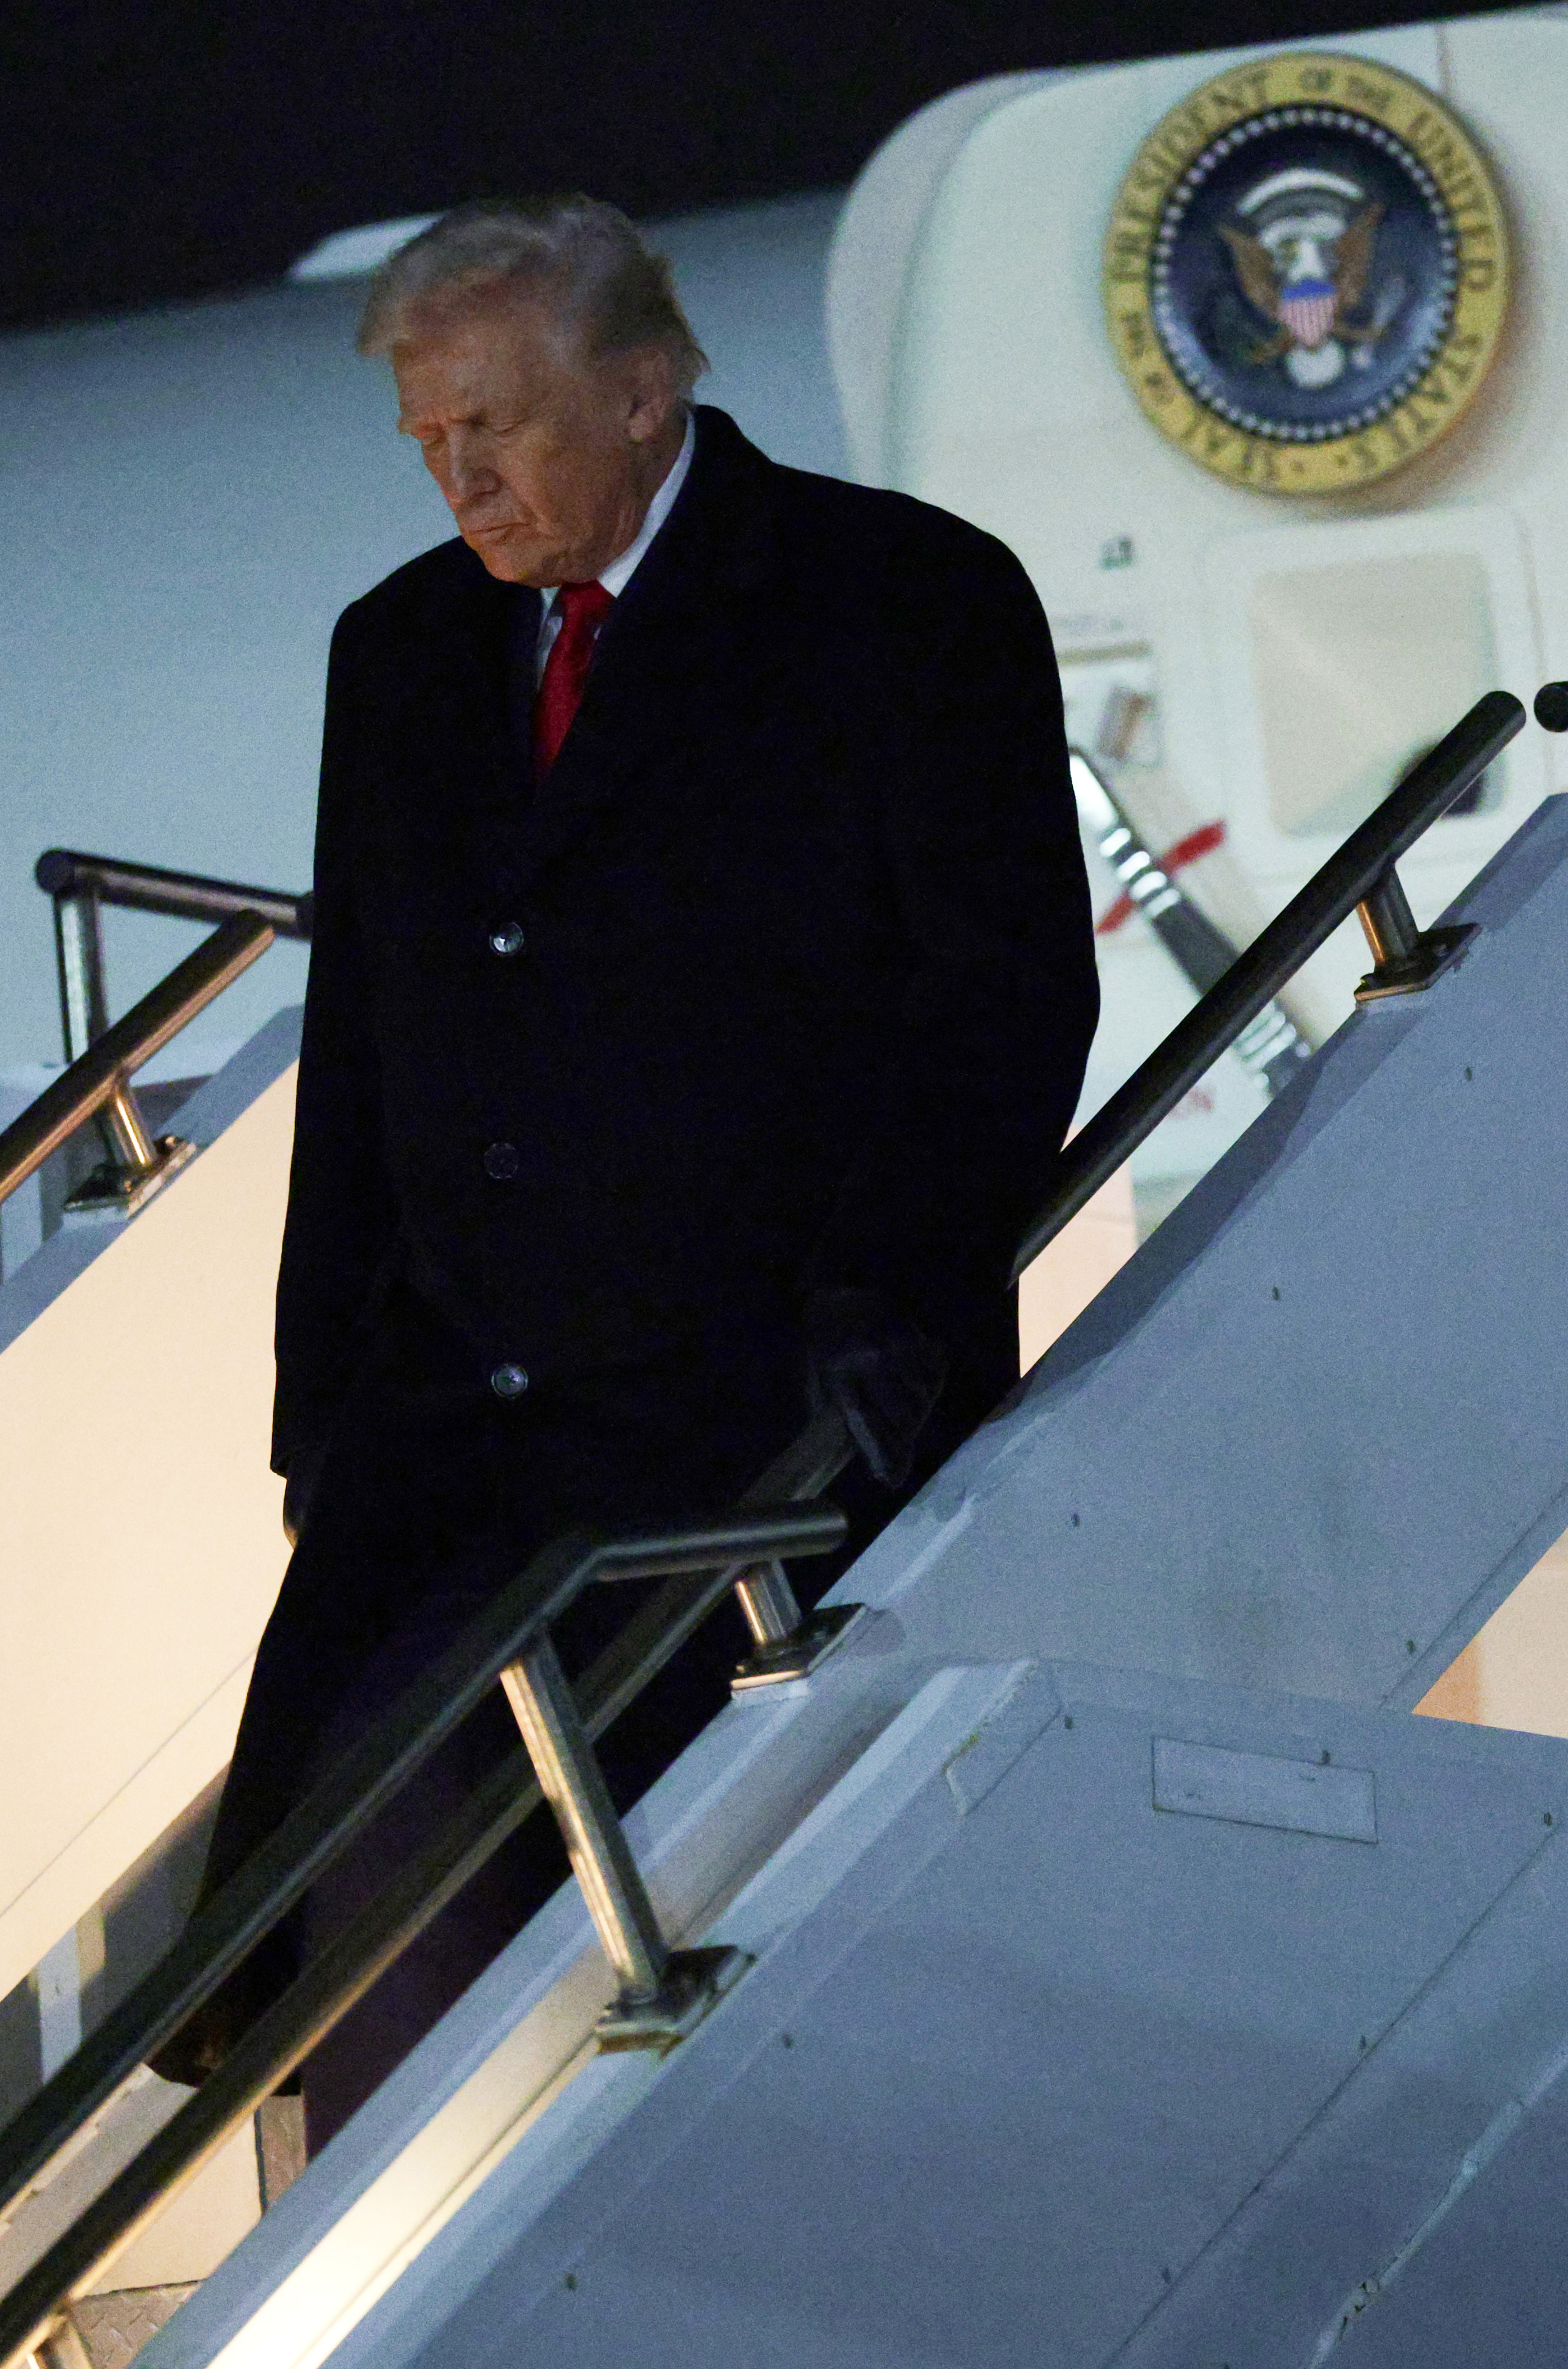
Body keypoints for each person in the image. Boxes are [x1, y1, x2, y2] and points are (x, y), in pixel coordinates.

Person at [167, 194, 1096, 2145]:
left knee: (704, 1937)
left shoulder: (900, 600)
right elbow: (366, 1056)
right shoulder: (404, 651)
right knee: (367, 1912)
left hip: (751, 1413)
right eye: (427, 441)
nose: (460, 478)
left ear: (651, 384)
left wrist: (889, 1313)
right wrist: (312, 1405)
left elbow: (1002, 1000)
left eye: (493, 425)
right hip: (446, 1437)